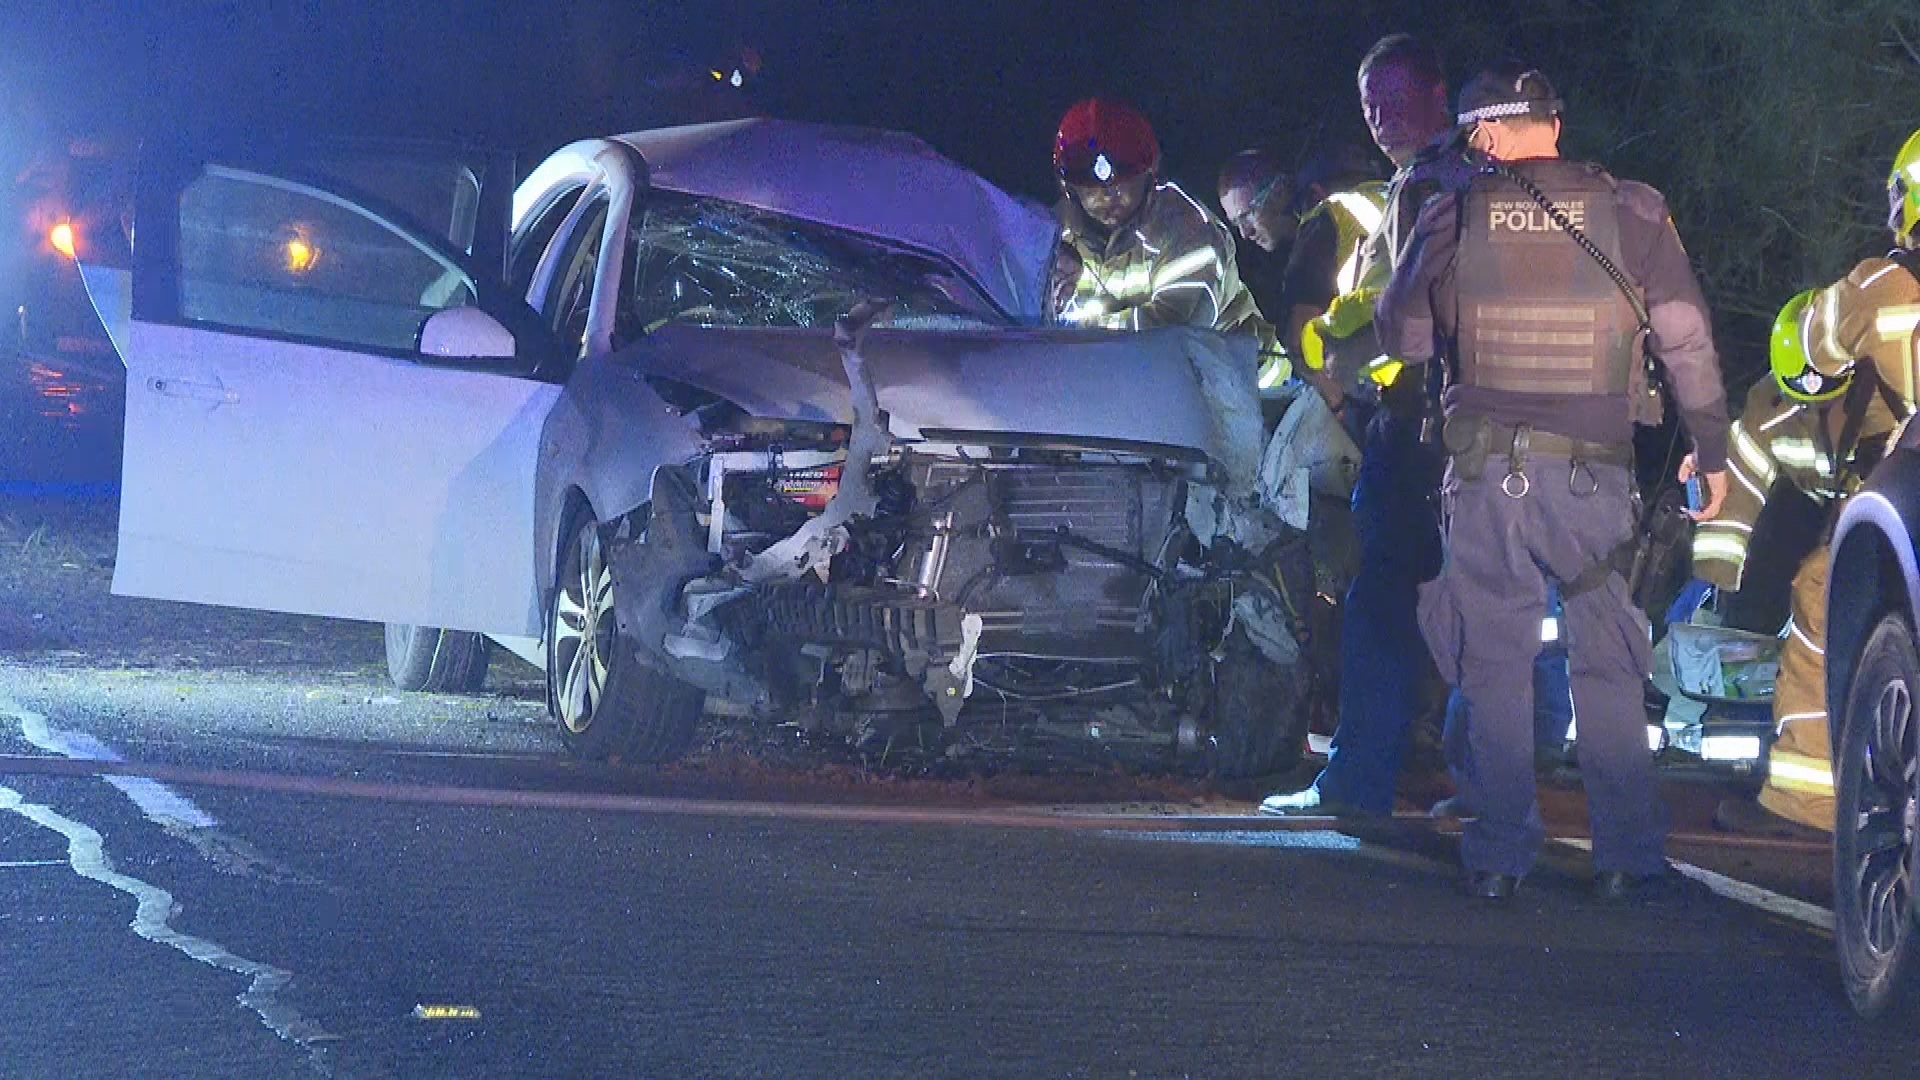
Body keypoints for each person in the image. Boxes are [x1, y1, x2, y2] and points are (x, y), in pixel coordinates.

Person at [1375, 62, 1732, 902]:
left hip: (1482, 472)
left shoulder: (1452, 213)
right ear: (1553, 122)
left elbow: (1406, 339)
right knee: (1607, 659)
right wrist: (1709, 449)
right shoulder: (1635, 211)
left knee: (1493, 662)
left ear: (1490, 132)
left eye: (1472, 137)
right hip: (1593, 478)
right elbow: (1684, 337)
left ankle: (1499, 855)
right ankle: (1625, 860)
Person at [1260, 34, 1476, 819]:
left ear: (1440, 95)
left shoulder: (1425, 188)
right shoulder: (1497, 183)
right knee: (1488, 611)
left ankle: (1358, 784)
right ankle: (1486, 792)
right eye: (1368, 105)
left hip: (1419, 431)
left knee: (1380, 602)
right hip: (1488, 433)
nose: (1381, 118)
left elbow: (1389, 309)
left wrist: (1334, 360)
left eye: (1394, 98)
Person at [1698, 128, 1920, 839]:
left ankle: (1805, 805)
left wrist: (1718, 580)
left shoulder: (1883, 284)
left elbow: (1817, 345)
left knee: (1824, 596)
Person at [1053, 98, 1271, 353]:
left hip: (1250, 383)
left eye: (1123, 183)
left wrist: (1076, 331)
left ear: (1150, 173)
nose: (1108, 197)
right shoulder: (1052, 238)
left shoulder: (1188, 231)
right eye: (1091, 189)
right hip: (1133, 383)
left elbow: (1171, 336)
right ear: (1069, 189)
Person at [1217, 147, 1294, 323]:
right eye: (1236, 223)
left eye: (1247, 215)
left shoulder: (1328, 237)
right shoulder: (1261, 277)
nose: (1245, 233)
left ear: (1279, 191)